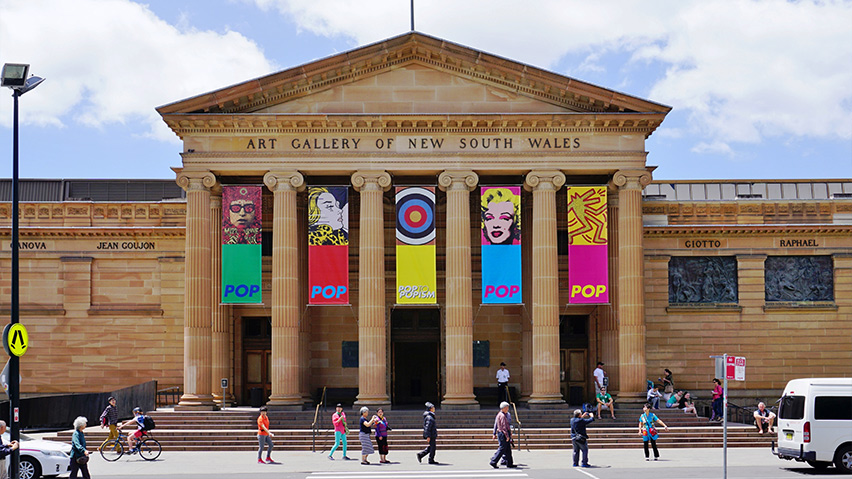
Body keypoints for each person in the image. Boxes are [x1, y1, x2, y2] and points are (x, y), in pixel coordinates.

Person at [490, 401, 516, 469]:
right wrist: (507, 436)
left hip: (503, 432)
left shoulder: (501, 414)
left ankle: (509, 463)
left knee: (507, 449)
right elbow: (504, 427)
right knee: (502, 448)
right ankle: (493, 461)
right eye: (507, 407)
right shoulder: (502, 415)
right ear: (504, 408)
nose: (507, 409)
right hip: (503, 433)